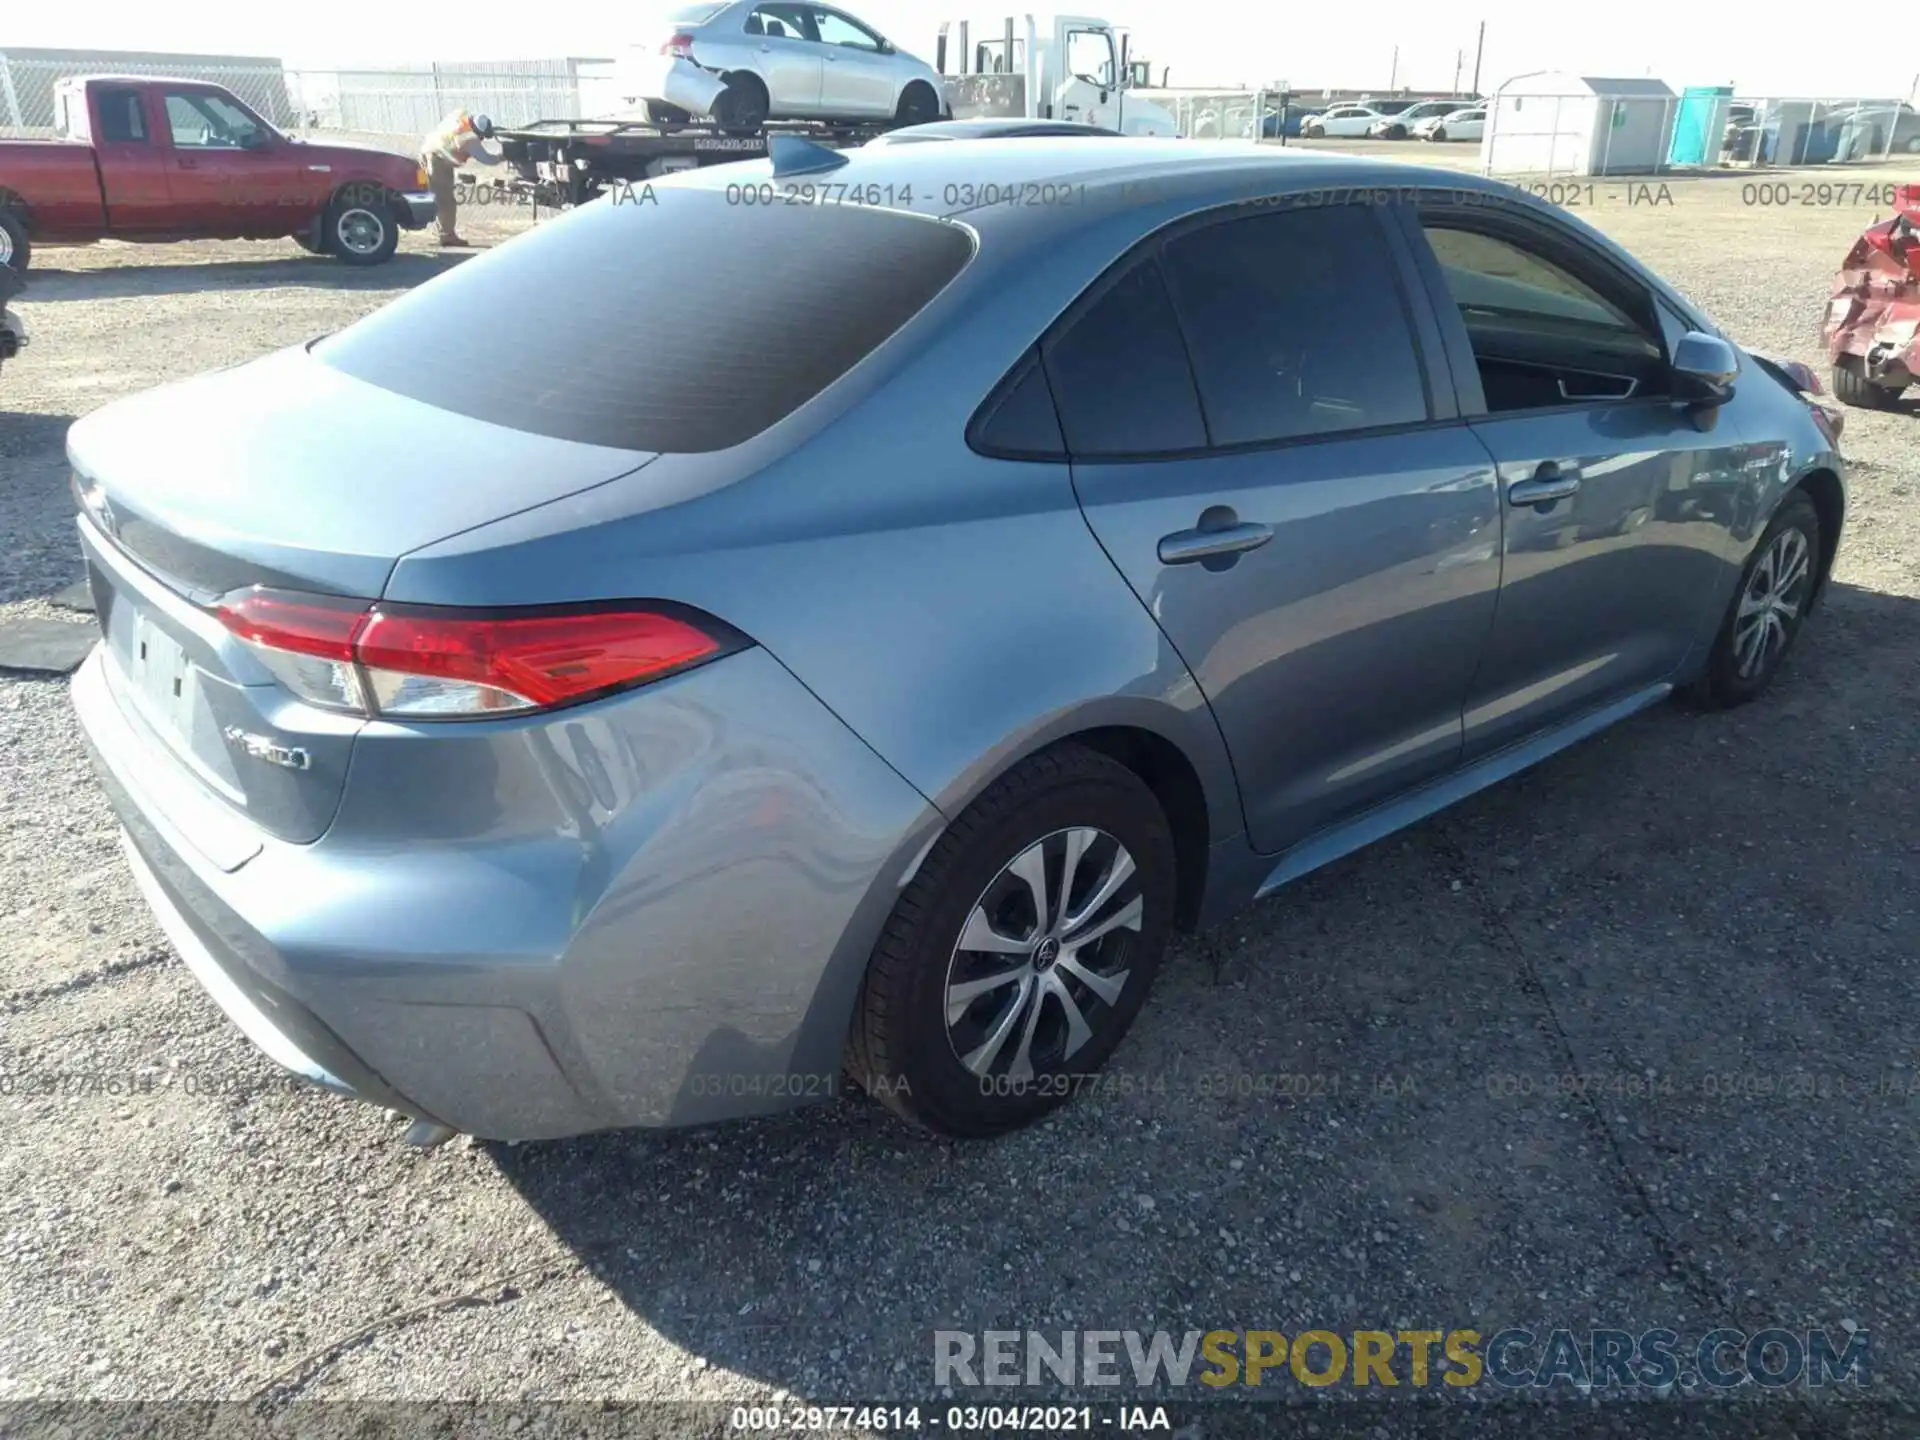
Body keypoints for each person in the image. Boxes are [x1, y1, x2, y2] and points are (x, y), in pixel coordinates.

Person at [420, 110, 504, 247]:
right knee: (446, 201)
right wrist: (504, 156)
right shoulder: (469, 138)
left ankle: (443, 232)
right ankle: (447, 236)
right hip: (438, 161)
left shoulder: (460, 118)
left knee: (439, 196)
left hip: (430, 151)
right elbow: (488, 159)